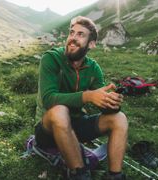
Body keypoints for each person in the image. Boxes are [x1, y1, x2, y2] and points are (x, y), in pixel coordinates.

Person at [34, 16, 128, 180]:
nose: (73, 38)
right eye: (72, 33)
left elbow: (102, 104)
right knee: (59, 111)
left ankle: (115, 175)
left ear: (91, 44)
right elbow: (49, 99)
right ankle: (79, 174)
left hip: (76, 126)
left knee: (119, 118)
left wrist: (112, 102)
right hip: (47, 129)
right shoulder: (51, 58)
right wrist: (88, 96)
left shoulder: (93, 68)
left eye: (80, 35)